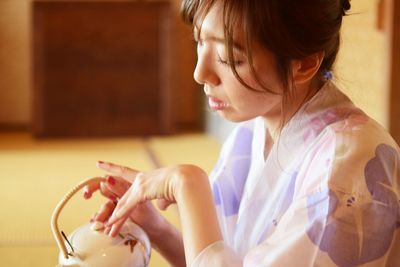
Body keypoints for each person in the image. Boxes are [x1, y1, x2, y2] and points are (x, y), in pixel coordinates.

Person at [83, 0, 400, 266]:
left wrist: (189, 186)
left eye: (228, 58)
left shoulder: (349, 169)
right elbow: (223, 257)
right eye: (199, 41)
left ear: (303, 64)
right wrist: (155, 227)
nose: (200, 73)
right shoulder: (252, 132)